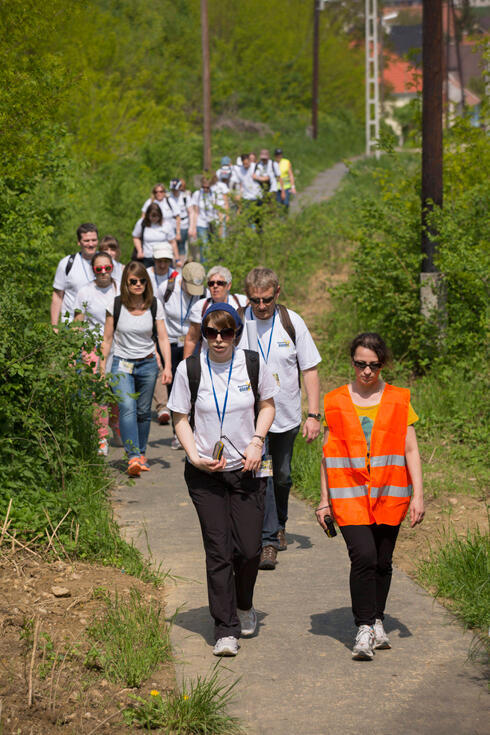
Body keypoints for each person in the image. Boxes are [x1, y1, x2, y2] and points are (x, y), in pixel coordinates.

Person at [167, 303, 278, 656]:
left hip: (247, 469)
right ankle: (225, 628)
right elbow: (180, 417)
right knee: (218, 551)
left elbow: (268, 406)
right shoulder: (190, 369)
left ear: (236, 334)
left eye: (225, 332)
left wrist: (257, 441)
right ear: (203, 333)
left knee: (248, 550)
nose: (218, 339)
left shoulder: (252, 364)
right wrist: (192, 455)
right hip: (205, 475)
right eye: (211, 332)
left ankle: (244, 605)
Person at [317, 332, 424, 661]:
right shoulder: (335, 400)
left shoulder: (398, 399)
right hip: (349, 496)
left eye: (374, 366)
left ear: (382, 365)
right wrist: (323, 501)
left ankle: (377, 618)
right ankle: (363, 627)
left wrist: (418, 495)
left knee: (382, 561)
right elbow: (327, 454)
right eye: (360, 364)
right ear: (352, 362)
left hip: (389, 494)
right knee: (363, 556)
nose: (366, 371)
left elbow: (410, 448)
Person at [238, 267, 322, 570]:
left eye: (266, 300)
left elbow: (309, 369)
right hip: (253, 418)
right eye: (255, 300)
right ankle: (269, 540)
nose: (260, 306)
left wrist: (314, 415)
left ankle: (280, 522)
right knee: (265, 474)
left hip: (286, 415)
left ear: (277, 292)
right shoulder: (238, 321)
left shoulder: (291, 322)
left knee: (283, 474)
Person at [101, 262, 172, 477]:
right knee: (127, 406)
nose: (138, 284)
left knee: (143, 412)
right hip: (122, 363)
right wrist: (101, 369)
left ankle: (141, 453)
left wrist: (167, 366)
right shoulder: (115, 304)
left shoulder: (154, 305)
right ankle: (132, 455)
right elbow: (107, 339)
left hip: (148, 363)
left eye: (142, 281)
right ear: (126, 283)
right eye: (133, 281)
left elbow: (162, 337)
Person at [73, 251, 120, 455]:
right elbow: (78, 323)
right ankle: (101, 437)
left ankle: (116, 428)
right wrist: (76, 350)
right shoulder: (85, 291)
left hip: (119, 346)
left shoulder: (121, 289)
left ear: (112, 268)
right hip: (94, 347)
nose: (103, 272)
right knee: (98, 393)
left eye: (107, 268)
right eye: (98, 268)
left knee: (117, 392)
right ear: (93, 270)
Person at [159, 261, 206, 447]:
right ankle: (177, 433)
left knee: (196, 386)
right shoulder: (166, 288)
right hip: (171, 343)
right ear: (182, 279)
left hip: (194, 342)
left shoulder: (204, 292)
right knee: (175, 388)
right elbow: (158, 313)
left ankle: (195, 430)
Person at [147, 243, 180, 426]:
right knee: (156, 364)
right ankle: (162, 405)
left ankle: (170, 406)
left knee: (172, 368)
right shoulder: (146, 275)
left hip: (170, 328)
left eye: (166, 261)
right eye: (159, 260)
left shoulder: (175, 277)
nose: (162, 264)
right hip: (149, 324)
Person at [183, 266, 247, 359]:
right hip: (208, 360)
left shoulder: (242, 302)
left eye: (220, 283)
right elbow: (192, 339)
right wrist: (186, 365)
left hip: (237, 360)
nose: (215, 286)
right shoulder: (200, 307)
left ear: (229, 286)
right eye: (211, 283)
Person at [51, 223, 98, 327]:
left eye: (94, 240)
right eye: (86, 241)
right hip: (71, 325)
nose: (91, 244)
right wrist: (54, 327)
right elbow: (57, 296)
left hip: (99, 327)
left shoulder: (106, 263)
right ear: (79, 242)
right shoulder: (67, 263)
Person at [132, 202, 181, 270]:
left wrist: (177, 259)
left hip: (164, 256)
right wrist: (140, 251)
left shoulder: (166, 225)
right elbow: (136, 237)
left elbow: (173, 242)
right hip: (148, 257)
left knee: (169, 277)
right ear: (148, 215)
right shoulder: (142, 223)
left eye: (156, 216)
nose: (154, 218)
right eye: (152, 216)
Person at [189, 176, 218, 260]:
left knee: (214, 246)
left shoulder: (214, 194)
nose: (205, 189)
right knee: (204, 247)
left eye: (207, 187)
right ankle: (204, 268)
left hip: (212, 222)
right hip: (201, 223)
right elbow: (195, 212)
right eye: (203, 187)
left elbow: (218, 210)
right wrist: (193, 227)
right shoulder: (197, 194)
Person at [234, 153, 262, 229]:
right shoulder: (240, 170)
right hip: (247, 198)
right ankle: (251, 235)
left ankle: (259, 236)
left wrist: (258, 178)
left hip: (257, 196)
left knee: (258, 220)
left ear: (250, 161)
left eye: (247, 163)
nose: (246, 165)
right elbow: (238, 183)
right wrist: (238, 194)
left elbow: (265, 178)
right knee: (248, 219)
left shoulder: (256, 167)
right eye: (244, 164)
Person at [169, 179, 192, 259]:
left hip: (183, 224)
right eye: (173, 189)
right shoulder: (168, 197)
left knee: (182, 247)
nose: (174, 191)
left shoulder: (185, 197)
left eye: (176, 189)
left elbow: (190, 212)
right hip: (171, 224)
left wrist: (191, 227)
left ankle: (181, 267)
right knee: (171, 246)